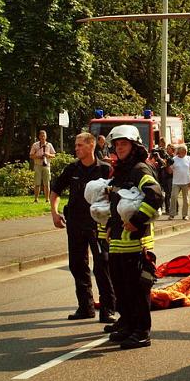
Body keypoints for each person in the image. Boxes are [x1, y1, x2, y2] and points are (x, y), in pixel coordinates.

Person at [103, 124, 163, 349]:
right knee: (121, 287)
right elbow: (117, 203)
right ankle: (127, 324)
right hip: (119, 241)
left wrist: (137, 221)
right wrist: (111, 224)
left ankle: (141, 332)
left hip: (137, 243)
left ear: (134, 145)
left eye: (123, 144)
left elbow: (155, 195)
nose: (119, 148)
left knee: (137, 289)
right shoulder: (121, 171)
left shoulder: (139, 169)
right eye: (116, 144)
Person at [50, 132, 116, 323]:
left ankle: (108, 309)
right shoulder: (72, 169)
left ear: (91, 146)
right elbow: (55, 191)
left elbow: (116, 196)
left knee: (103, 265)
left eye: (80, 145)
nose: (76, 148)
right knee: (78, 265)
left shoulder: (105, 169)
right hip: (76, 223)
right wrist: (54, 213)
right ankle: (85, 307)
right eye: (76, 145)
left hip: (98, 225)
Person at [168, 144, 190, 220]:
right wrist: (168, 164)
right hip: (176, 182)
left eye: (185, 151)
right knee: (173, 197)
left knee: (185, 199)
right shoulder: (174, 159)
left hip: (186, 182)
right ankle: (172, 214)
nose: (185, 152)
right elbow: (170, 171)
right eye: (184, 151)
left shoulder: (188, 158)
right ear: (179, 151)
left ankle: (185, 215)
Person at [30, 130, 56, 202]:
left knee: (47, 183)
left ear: (46, 136)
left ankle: (47, 199)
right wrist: (38, 156)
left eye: (44, 136)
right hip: (38, 165)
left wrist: (48, 155)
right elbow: (31, 156)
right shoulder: (35, 145)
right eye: (41, 136)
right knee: (37, 183)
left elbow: (54, 155)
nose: (42, 137)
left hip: (46, 165)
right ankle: (36, 199)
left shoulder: (49, 145)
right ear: (39, 136)